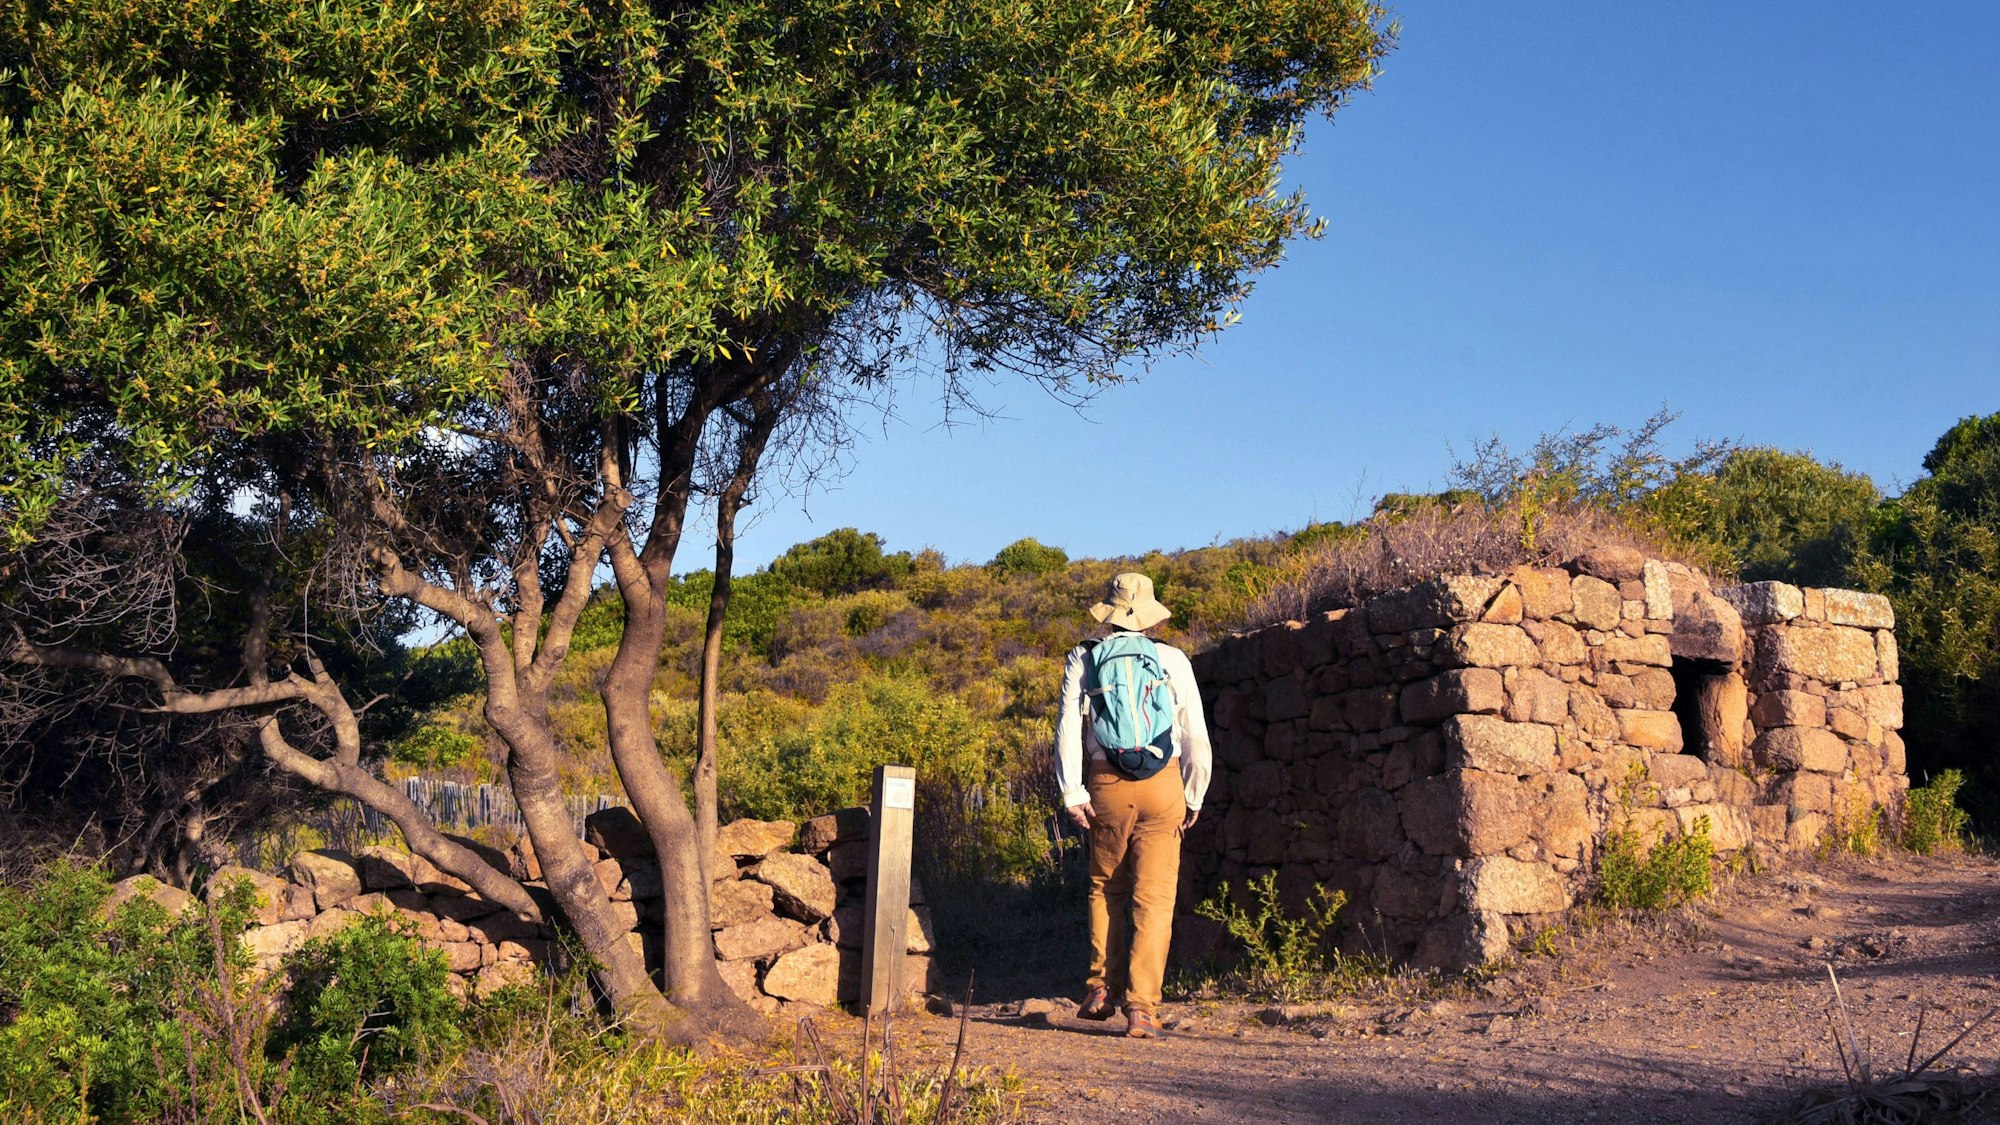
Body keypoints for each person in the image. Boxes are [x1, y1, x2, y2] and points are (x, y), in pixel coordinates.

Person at [1054, 572, 1213, 1038]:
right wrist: (1194, 792)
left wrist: (1072, 793)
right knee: (1155, 899)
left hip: (1107, 784)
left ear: (1109, 610)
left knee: (1106, 887)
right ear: (1148, 613)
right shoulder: (1173, 659)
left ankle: (1101, 986)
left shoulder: (1083, 657)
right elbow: (1195, 737)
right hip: (1164, 786)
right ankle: (1141, 1008)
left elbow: (1067, 728)